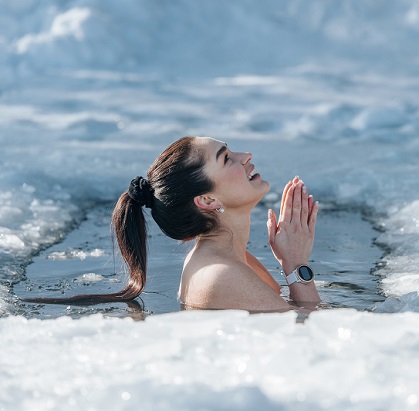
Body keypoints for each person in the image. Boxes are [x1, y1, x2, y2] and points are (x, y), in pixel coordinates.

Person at [26, 136, 320, 311]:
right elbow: (317, 337)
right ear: (206, 200)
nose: (246, 156)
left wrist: (292, 266)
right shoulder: (221, 274)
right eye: (227, 158)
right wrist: (296, 265)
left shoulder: (231, 259)